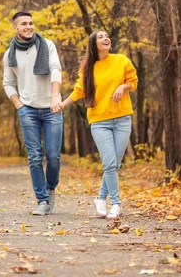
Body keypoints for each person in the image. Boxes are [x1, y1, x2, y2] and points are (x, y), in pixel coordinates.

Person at [59, 30, 138, 219]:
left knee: (114, 164)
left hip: (122, 118)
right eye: (100, 37)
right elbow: (78, 92)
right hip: (99, 121)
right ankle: (116, 204)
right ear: (93, 44)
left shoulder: (121, 60)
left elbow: (133, 82)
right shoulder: (88, 69)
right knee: (110, 164)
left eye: (107, 36)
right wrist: (61, 105)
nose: (106, 39)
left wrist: (122, 86)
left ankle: (101, 197)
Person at [3, 11, 63, 216]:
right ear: (15, 28)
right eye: (23, 24)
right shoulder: (9, 54)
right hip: (27, 109)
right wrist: (19, 105)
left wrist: (55, 97)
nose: (28, 27)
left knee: (53, 156)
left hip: (51, 108)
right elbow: (8, 83)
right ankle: (42, 200)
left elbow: (55, 68)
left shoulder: (47, 45)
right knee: (35, 156)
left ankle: (50, 187)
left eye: (30, 23)